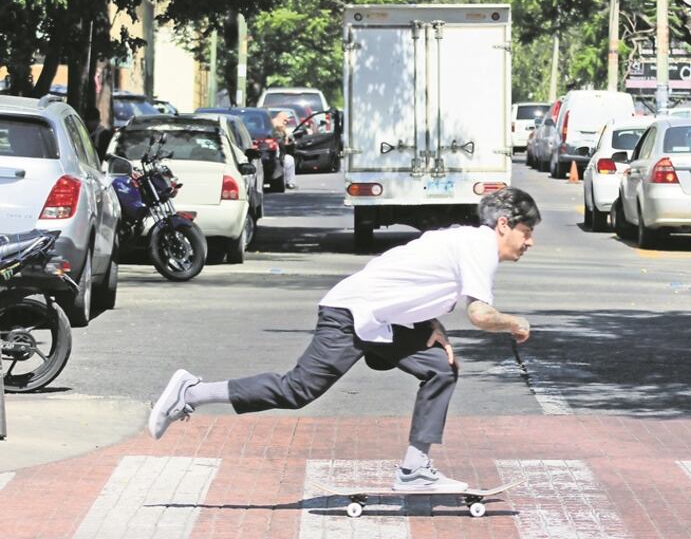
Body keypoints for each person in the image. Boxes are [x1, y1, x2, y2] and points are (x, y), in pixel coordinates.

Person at [147, 187, 540, 492]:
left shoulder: (466, 241)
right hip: (352, 314)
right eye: (526, 232)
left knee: (440, 367)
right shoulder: (480, 247)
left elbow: (412, 274)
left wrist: (431, 324)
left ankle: (415, 470)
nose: (530, 243)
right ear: (503, 224)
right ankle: (192, 392)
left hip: (382, 317)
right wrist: (514, 322)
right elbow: (480, 314)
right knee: (297, 390)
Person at [272, 112, 298, 189]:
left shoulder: (274, 125)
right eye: (285, 121)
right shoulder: (278, 128)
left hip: (276, 154)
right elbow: (283, 144)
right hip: (275, 155)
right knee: (289, 160)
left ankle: (289, 182)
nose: (286, 123)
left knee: (289, 160)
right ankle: (290, 183)